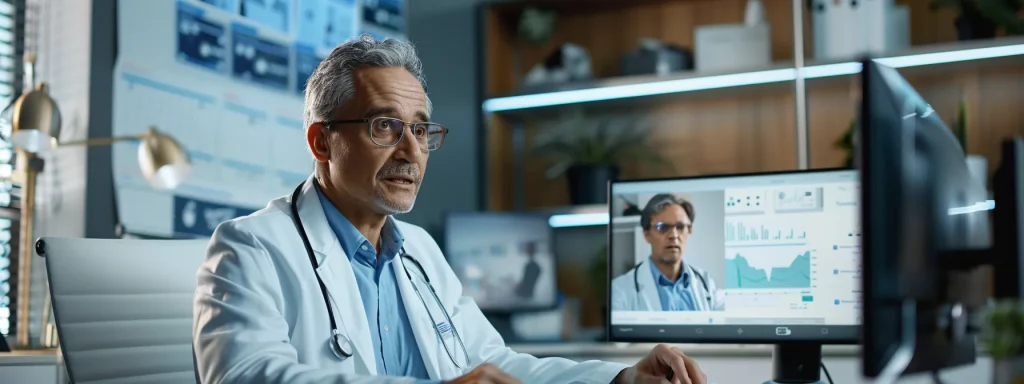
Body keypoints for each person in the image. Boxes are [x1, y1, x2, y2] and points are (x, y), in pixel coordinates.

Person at [192, 35, 707, 384]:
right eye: (384, 126)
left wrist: (619, 378)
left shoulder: (418, 250)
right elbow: (247, 374)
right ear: (322, 142)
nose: (411, 150)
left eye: (420, 129)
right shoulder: (250, 247)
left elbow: (494, 364)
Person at [611, 194, 724, 312]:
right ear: (646, 234)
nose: (674, 236)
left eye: (680, 227)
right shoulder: (620, 291)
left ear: (689, 231)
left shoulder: (707, 284)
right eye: (662, 227)